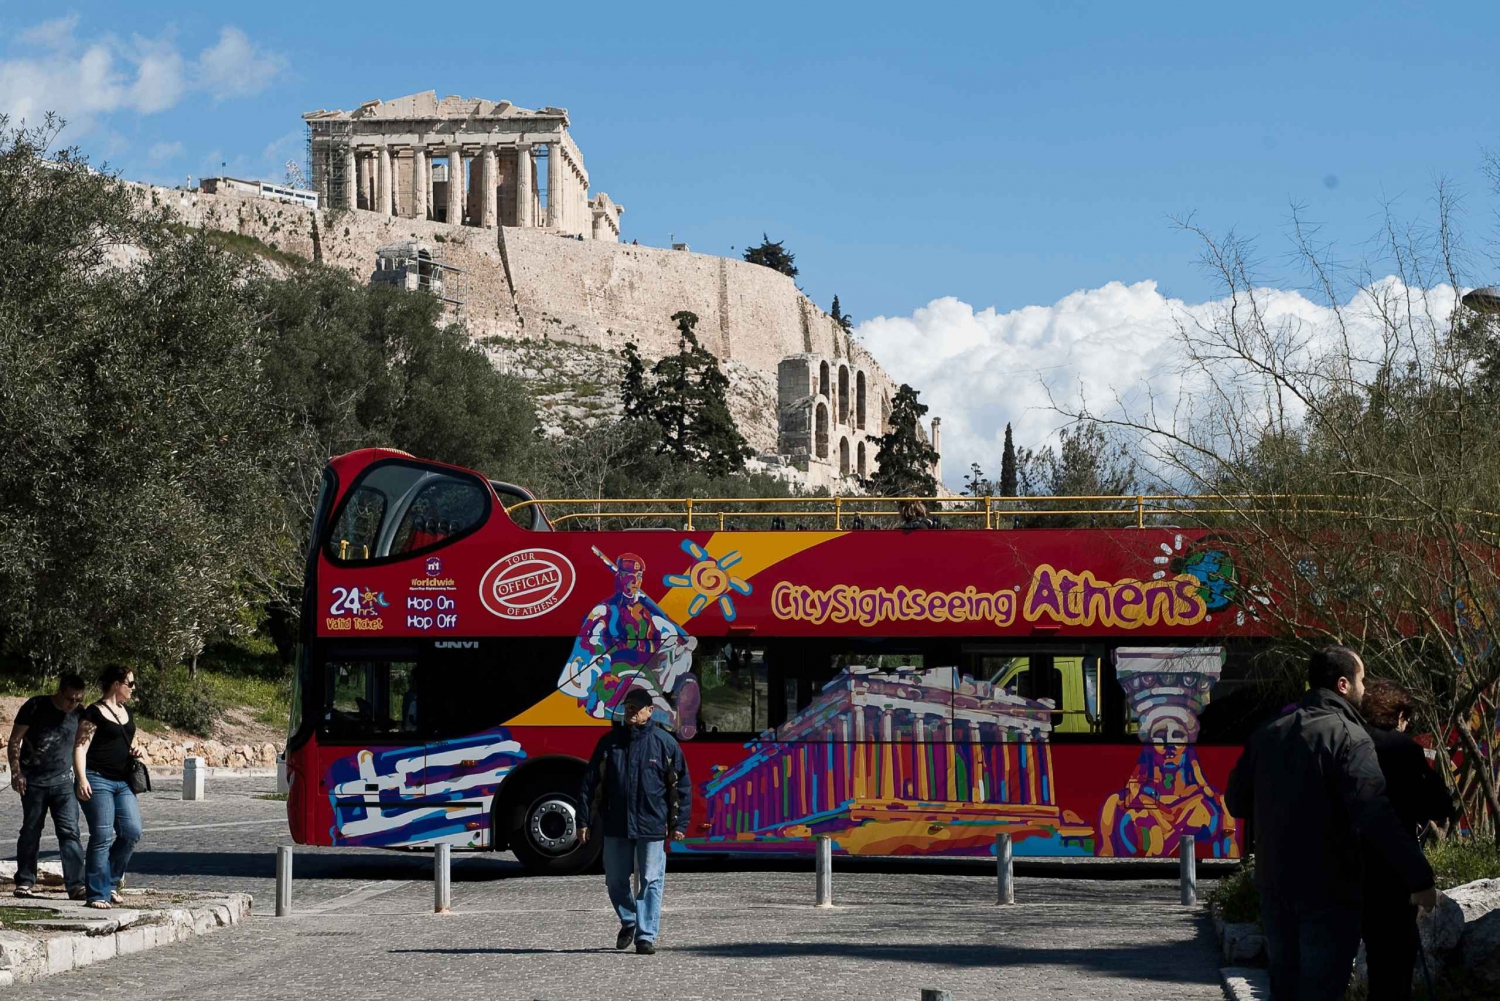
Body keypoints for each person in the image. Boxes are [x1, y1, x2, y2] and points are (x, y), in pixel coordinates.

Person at [1226, 646, 1437, 1001]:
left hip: (1275, 884)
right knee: (1322, 988)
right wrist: (1419, 877)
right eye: (1362, 680)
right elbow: (1375, 814)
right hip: (1329, 888)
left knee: (1285, 987)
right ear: (1343, 684)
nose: (1365, 689)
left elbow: (1237, 801)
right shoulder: (1350, 738)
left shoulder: (1269, 732)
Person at [1358, 679, 1456, 1001]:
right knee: (1393, 967)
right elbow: (1438, 804)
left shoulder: (1348, 741)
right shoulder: (1401, 749)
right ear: (1398, 716)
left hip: (1345, 869)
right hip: (1390, 874)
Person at [577, 686, 691, 955]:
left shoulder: (664, 743)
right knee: (615, 880)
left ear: (650, 711)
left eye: (637, 707)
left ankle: (646, 936)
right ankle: (629, 920)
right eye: (628, 706)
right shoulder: (609, 743)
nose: (630, 711)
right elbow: (590, 784)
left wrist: (679, 824)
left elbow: (681, 786)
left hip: (652, 824)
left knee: (650, 879)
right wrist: (584, 820)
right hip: (615, 823)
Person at [6, 673, 88, 899]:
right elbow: (14, 741)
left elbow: (87, 744)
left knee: (70, 832)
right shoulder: (35, 705)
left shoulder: (79, 714)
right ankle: (24, 881)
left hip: (63, 784)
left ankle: (76, 885)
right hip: (33, 782)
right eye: (70, 698)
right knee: (31, 831)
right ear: (60, 691)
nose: (73, 704)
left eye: (78, 700)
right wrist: (16, 772)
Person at [73, 665, 144, 910]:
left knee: (131, 831)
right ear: (117, 684)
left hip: (123, 781)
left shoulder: (127, 712)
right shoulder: (94, 712)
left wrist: (134, 750)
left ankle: (111, 881)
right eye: (130, 683)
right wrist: (82, 778)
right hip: (97, 778)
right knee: (102, 836)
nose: (133, 688)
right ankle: (97, 893)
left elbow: (120, 742)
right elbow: (80, 747)